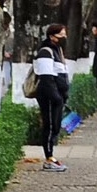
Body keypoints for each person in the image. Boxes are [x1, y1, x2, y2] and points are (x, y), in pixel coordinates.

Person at [31, 23, 69, 172]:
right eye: (61, 35)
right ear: (52, 36)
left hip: (57, 96)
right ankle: (48, 158)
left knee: (55, 126)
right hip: (49, 96)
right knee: (50, 125)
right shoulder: (46, 52)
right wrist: (56, 98)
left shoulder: (57, 50)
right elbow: (46, 78)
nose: (64, 38)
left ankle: (51, 156)